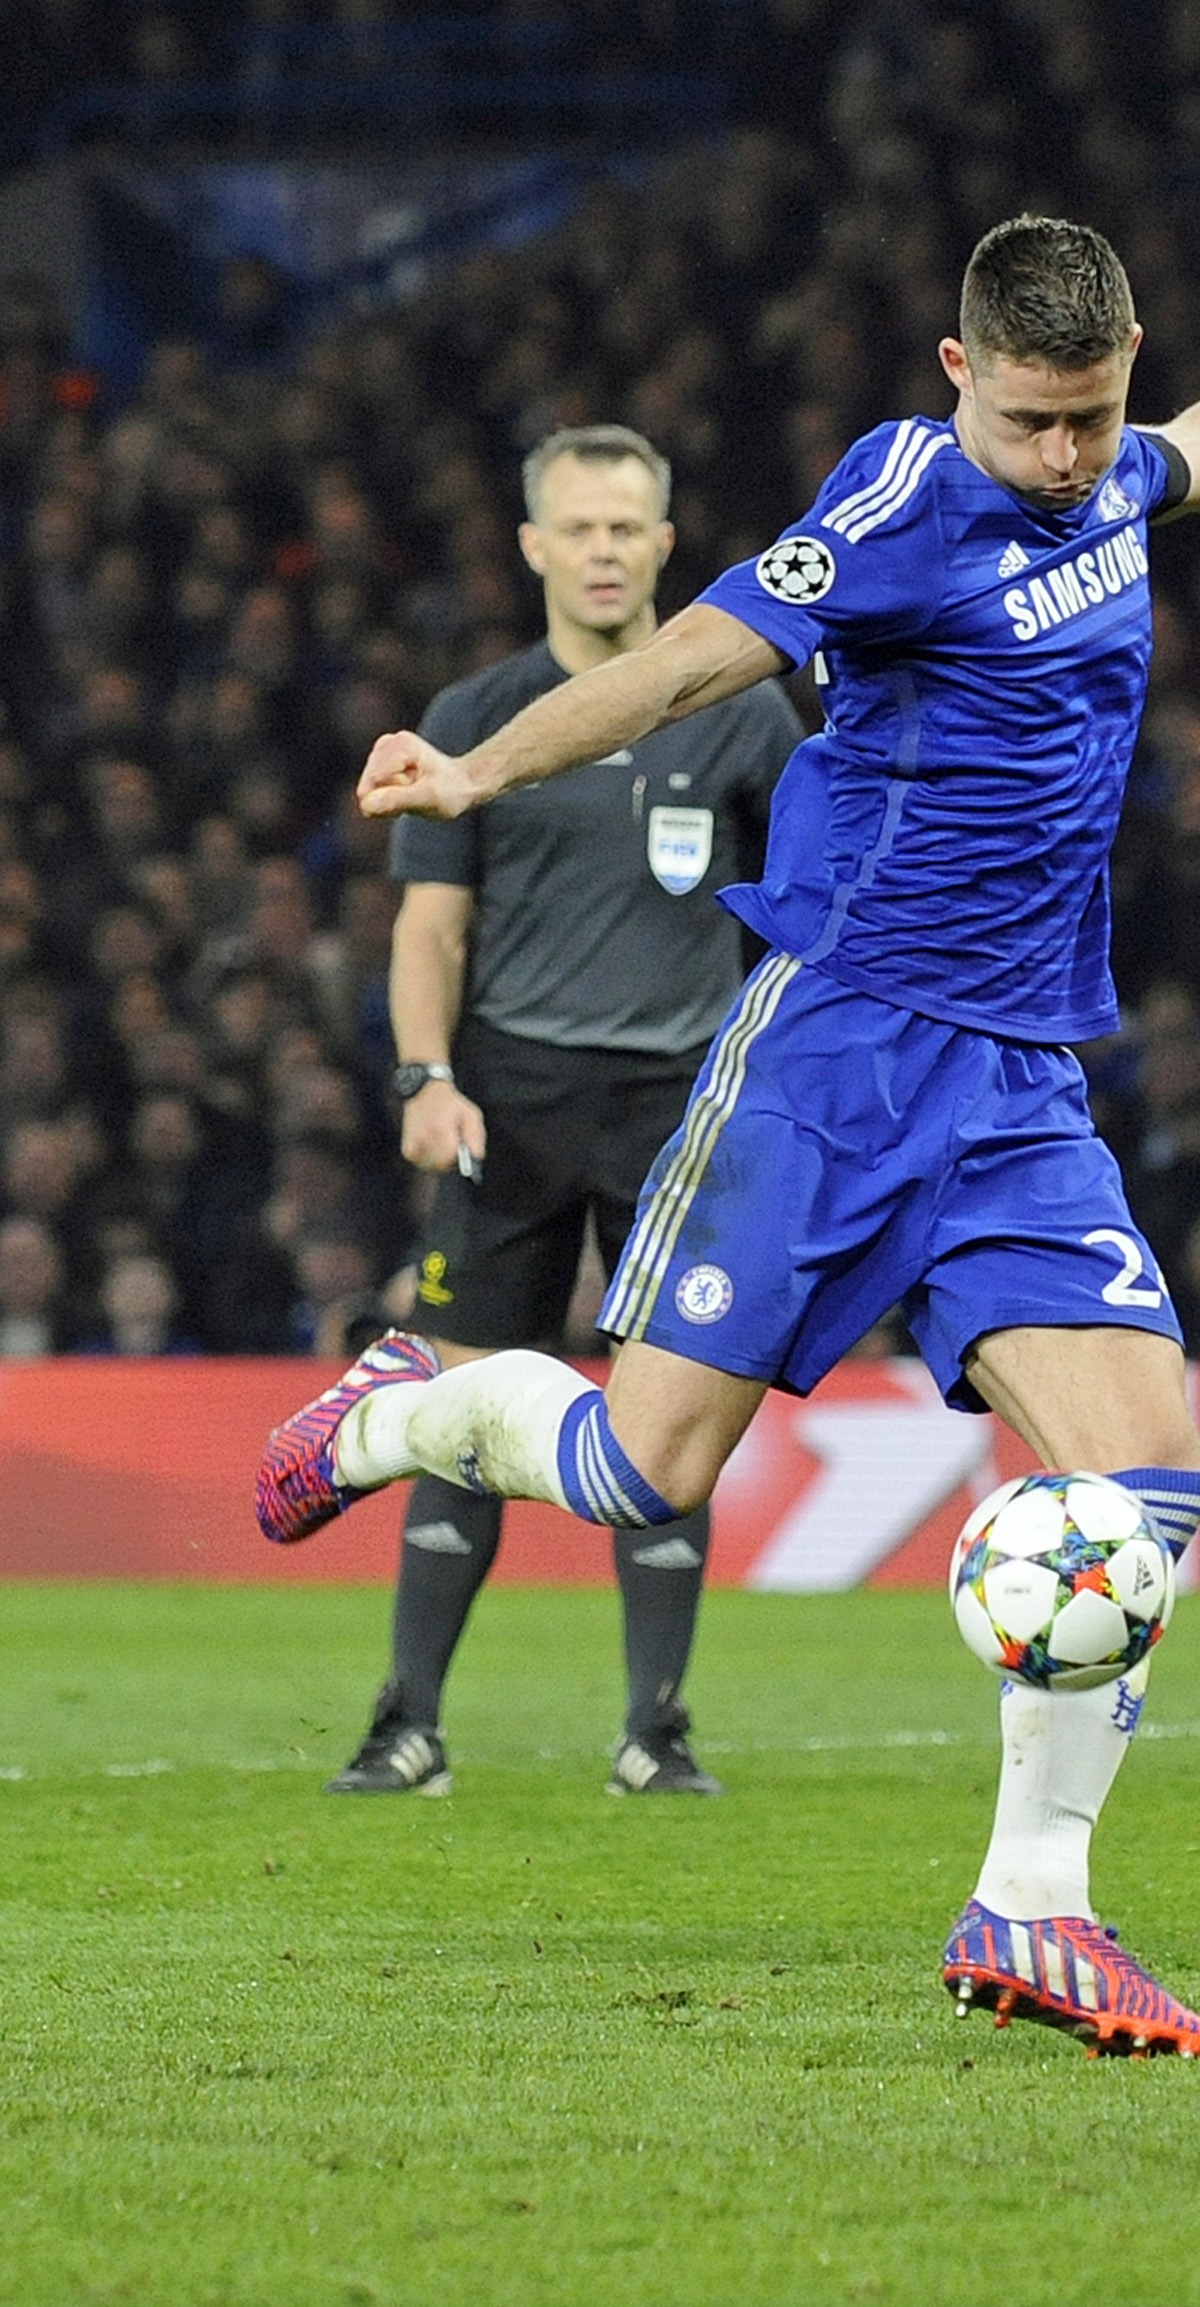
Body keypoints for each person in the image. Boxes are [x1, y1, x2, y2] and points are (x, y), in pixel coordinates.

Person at [260, 214, 1200, 2058]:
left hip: (1019, 1085)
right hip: (835, 1056)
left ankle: (1032, 1911)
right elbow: (692, 661)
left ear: (1123, 357)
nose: (1069, 456)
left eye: (1091, 416)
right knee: (641, 1471)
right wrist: (479, 768)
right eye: (1031, 423)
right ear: (956, 377)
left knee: (1145, 1483)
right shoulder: (907, 504)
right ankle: (395, 1407)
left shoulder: (1109, 479)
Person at [330, 423, 797, 1802]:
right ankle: (407, 1723)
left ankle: (657, 1731)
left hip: (680, 1106)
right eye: (579, 527)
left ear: (665, 544)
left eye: (627, 527)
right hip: (511, 1105)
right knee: (466, 1405)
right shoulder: (476, 716)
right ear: (535, 545)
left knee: (668, 1415)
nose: (604, 549)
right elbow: (432, 931)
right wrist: (424, 1077)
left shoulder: (742, 711)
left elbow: (801, 916)